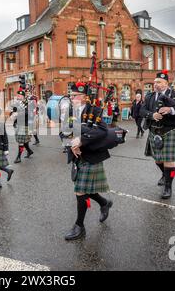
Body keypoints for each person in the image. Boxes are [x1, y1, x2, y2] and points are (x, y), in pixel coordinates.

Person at [64, 82, 113, 241]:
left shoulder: (95, 110)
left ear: (85, 97)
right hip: (77, 156)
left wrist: (82, 141)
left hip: (91, 155)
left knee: (80, 190)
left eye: (75, 96)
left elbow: (102, 131)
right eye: (71, 96)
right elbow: (63, 131)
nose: (72, 98)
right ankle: (104, 203)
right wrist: (71, 144)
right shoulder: (69, 112)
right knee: (85, 189)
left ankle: (79, 226)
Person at [140, 70, 175, 199]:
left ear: (166, 83)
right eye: (155, 82)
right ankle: (165, 174)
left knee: (169, 161)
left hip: (170, 130)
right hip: (154, 130)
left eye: (159, 82)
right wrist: (152, 115)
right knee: (158, 159)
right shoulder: (150, 96)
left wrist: (170, 109)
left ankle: (168, 187)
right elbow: (142, 110)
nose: (155, 84)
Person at [11, 88, 34, 164]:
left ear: (23, 96)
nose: (19, 96)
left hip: (25, 124)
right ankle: (29, 151)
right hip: (17, 123)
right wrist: (12, 115)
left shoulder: (28, 103)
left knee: (21, 142)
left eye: (20, 95)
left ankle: (18, 157)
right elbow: (13, 111)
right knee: (23, 141)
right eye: (18, 95)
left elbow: (29, 113)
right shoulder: (16, 104)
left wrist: (19, 114)